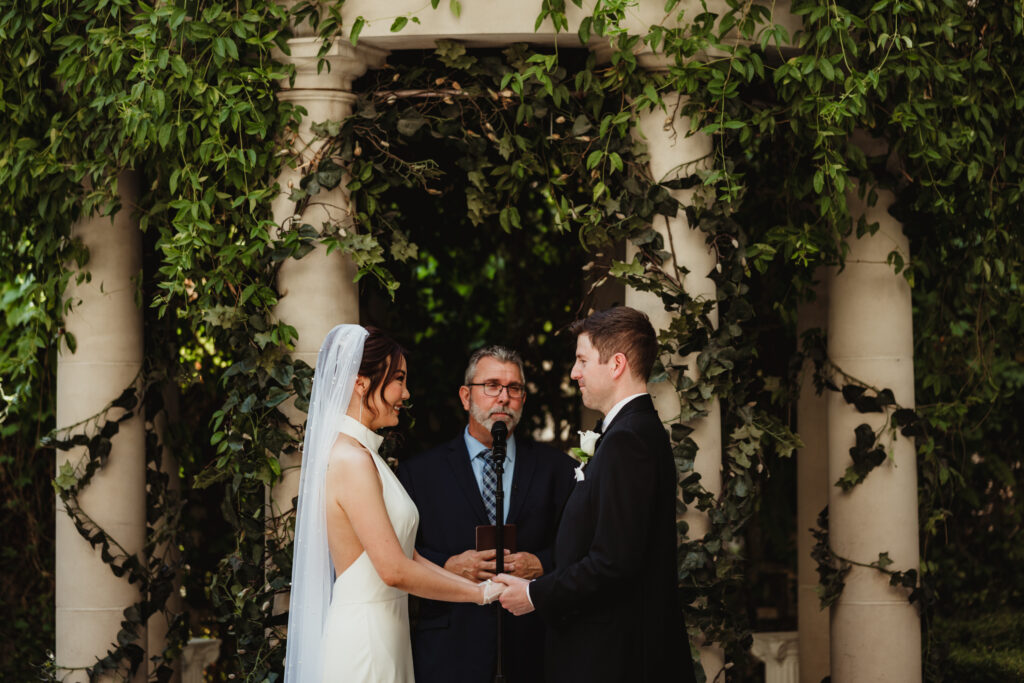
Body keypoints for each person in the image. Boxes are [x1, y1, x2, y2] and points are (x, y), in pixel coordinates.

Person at [283, 325, 504, 683]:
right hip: (366, 641)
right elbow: (394, 570)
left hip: (387, 632)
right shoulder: (351, 460)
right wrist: (481, 594)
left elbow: (407, 555)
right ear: (361, 383)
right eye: (398, 379)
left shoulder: (366, 455)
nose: (406, 392)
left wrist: (481, 589)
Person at [496, 307, 697, 683]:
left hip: (617, 660)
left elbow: (614, 562)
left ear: (616, 364)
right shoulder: (627, 432)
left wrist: (535, 593)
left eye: (582, 360)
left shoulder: (628, 440)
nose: (575, 373)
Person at [397, 346, 577, 683]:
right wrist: (448, 565)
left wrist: (542, 563)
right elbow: (399, 553)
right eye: (492, 385)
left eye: (514, 388)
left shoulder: (560, 470)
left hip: (534, 649)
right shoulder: (419, 473)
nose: (504, 398)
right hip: (450, 651)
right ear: (466, 396)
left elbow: (581, 547)